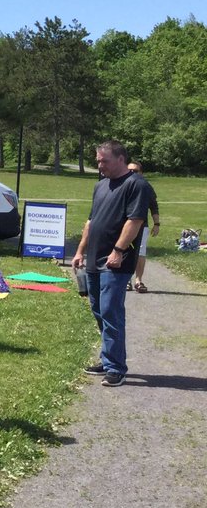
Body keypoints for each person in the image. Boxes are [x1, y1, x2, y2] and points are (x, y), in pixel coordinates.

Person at [72, 141, 150, 388]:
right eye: (98, 160)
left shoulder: (136, 185)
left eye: (104, 160)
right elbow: (91, 221)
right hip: (94, 259)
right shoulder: (100, 186)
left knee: (111, 312)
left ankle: (116, 367)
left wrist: (118, 250)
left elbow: (134, 221)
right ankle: (107, 360)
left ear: (120, 159)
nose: (99, 165)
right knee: (98, 310)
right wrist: (80, 250)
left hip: (117, 262)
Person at [127, 162, 160, 293]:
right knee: (124, 251)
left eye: (135, 171)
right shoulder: (122, 184)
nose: (132, 173)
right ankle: (126, 281)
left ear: (141, 173)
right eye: (129, 170)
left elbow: (154, 206)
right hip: (123, 225)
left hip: (142, 225)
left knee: (140, 252)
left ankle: (138, 281)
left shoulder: (146, 187)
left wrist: (156, 224)